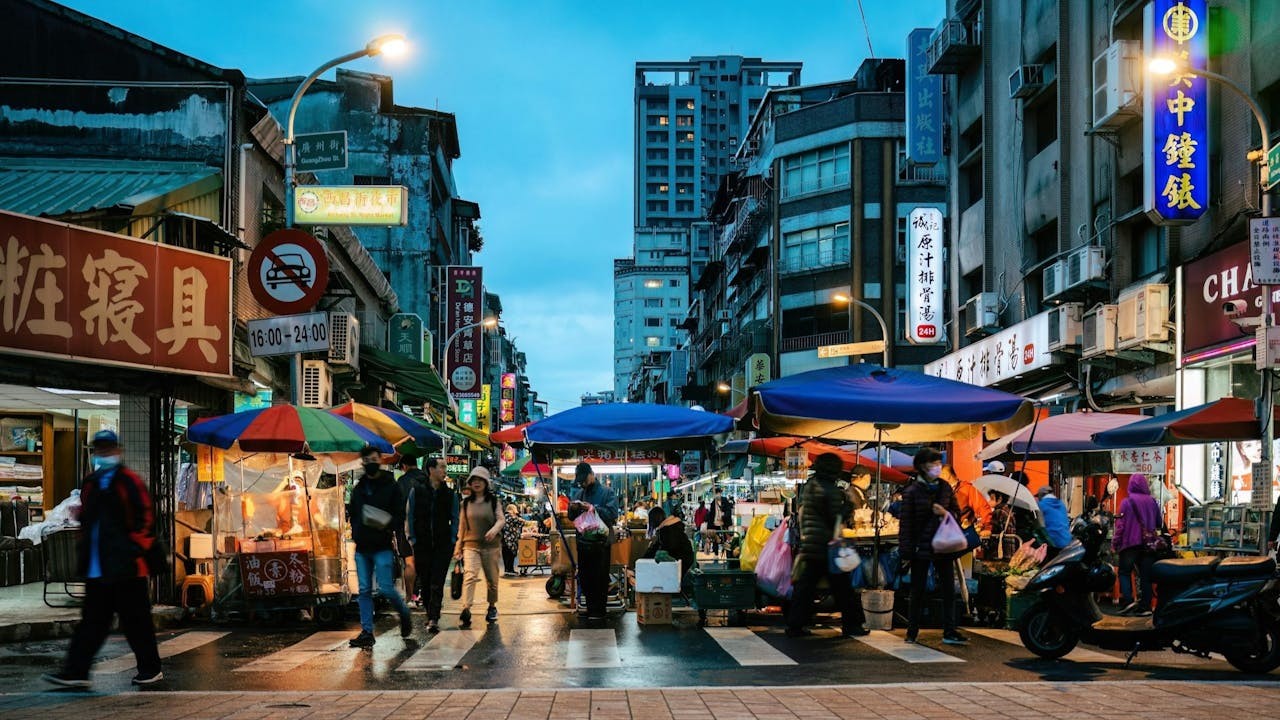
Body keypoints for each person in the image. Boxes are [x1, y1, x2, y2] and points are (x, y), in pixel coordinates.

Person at [43, 430, 163, 688]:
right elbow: (87, 519)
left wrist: (132, 549)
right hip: (98, 568)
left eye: (108, 449)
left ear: (117, 451)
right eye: (100, 449)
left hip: (128, 567)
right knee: (92, 623)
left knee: (136, 622)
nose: (104, 453)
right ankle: (76, 671)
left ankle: (150, 669)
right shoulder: (92, 483)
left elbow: (146, 519)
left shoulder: (129, 481)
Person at [787, 453, 868, 639]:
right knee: (843, 589)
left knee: (806, 588)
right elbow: (834, 516)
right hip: (827, 546)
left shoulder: (810, 485)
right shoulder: (829, 489)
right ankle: (852, 625)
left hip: (812, 544)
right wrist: (847, 507)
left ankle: (795, 625)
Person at [898, 448, 967, 646]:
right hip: (921, 548)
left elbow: (957, 513)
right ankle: (912, 631)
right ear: (922, 466)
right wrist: (906, 551)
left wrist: (945, 513)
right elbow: (906, 524)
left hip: (944, 546)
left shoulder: (945, 487)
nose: (937, 467)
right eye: (933, 463)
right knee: (917, 591)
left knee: (948, 590)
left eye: (939, 463)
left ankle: (950, 630)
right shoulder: (912, 491)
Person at [347, 446, 413, 647]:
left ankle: (403, 612)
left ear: (380, 460)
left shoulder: (390, 485)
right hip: (362, 546)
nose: (371, 463)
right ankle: (367, 631)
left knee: (386, 588)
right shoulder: (359, 488)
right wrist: (357, 530)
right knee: (364, 590)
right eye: (367, 460)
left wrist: (385, 523)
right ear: (363, 463)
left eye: (374, 459)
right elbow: (354, 513)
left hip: (382, 545)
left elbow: (399, 514)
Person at [407, 457, 459, 633]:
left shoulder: (450, 494)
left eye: (445, 467)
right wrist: (412, 539)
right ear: (431, 469)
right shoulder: (417, 491)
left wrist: (452, 540)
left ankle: (434, 617)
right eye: (441, 467)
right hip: (422, 544)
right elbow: (410, 515)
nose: (445, 471)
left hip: (443, 545)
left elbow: (455, 518)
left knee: (437, 581)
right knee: (426, 581)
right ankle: (430, 614)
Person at [568, 461, 619, 624]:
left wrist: (592, 508)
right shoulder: (578, 494)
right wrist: (573, 509)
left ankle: (599, 611)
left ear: (592, 474)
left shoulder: (607, 492)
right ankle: (590, 609)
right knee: (585, 577)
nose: (582, 483)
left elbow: (612, 514)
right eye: (580, 481)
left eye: (584, 480)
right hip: (583, 543)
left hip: (601, 544)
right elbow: (571, 517)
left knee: (600, 577)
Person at [454, 466, 505, 627]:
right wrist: (458, 546)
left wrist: (494, 530)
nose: (476, 483)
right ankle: (466, 608)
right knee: (470, 576)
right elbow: (462, 526)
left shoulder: (494, 501)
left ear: (485, 482)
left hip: (491, 546)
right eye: (474, 480)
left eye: (480, 480)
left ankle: (492, 606)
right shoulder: (465, 503)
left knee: (492, 580)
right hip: (471, 545)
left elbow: (501, 520)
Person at [1113, 473, 1162, 616]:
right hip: (1148, 545)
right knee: (1146, 576)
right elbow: (1159, 523)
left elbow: (1120, 526)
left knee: (1124, 572)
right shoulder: (1152, 502)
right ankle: (1145, 607)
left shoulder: (1127, 502)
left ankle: (1128, 601)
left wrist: (1115, 543)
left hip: (1129, 544)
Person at [941, 465, 989, 579]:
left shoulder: (967, 489)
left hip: (962, 535)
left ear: (947, 475)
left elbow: (983, 508)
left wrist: (987, 527)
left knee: (961, 573)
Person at [641, 506, 696, 592]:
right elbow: (657, 547)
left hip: (682, 560)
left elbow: (667, 547)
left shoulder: (667, 529)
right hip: (685, 558)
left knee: (660, 556)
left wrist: (643, 560)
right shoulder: (668, 527)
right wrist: (643, 559)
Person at [396, 456, 427, 603]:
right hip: (425, 527)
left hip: (405, 527)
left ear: (404, 466)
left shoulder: (402, 482)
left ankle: (410, 596)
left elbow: (396, 507)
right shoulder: (427, 479)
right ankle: (422, 594)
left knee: (409, 562)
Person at [1035, 484, 1072, 560]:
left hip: (1053, 544)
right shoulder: (1062, 504)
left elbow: (1041, 526)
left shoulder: (1040, 505)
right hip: (1067, 541)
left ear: (1041, 495)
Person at [706, 487, 733, 555]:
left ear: (720, 493)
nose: (717, 494)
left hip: (724, 523)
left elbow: (728, 511)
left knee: (726, 540)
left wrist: (723, 516)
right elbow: (711, 515)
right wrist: (709, 526)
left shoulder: (724, 500)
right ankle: (716, 554)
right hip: (715, 524)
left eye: (718, 493)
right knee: (715, 539)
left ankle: (727, 553)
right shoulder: (713, 503)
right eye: (716, 493)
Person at [501, 503, 522, 577]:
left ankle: (508, 570)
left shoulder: (504, 516)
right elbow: (521, 522)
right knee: (510, 555)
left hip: (504, 539)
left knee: (506, 555)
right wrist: (517, 515)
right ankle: (509, 570)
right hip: (510, 540)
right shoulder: (510, 517)